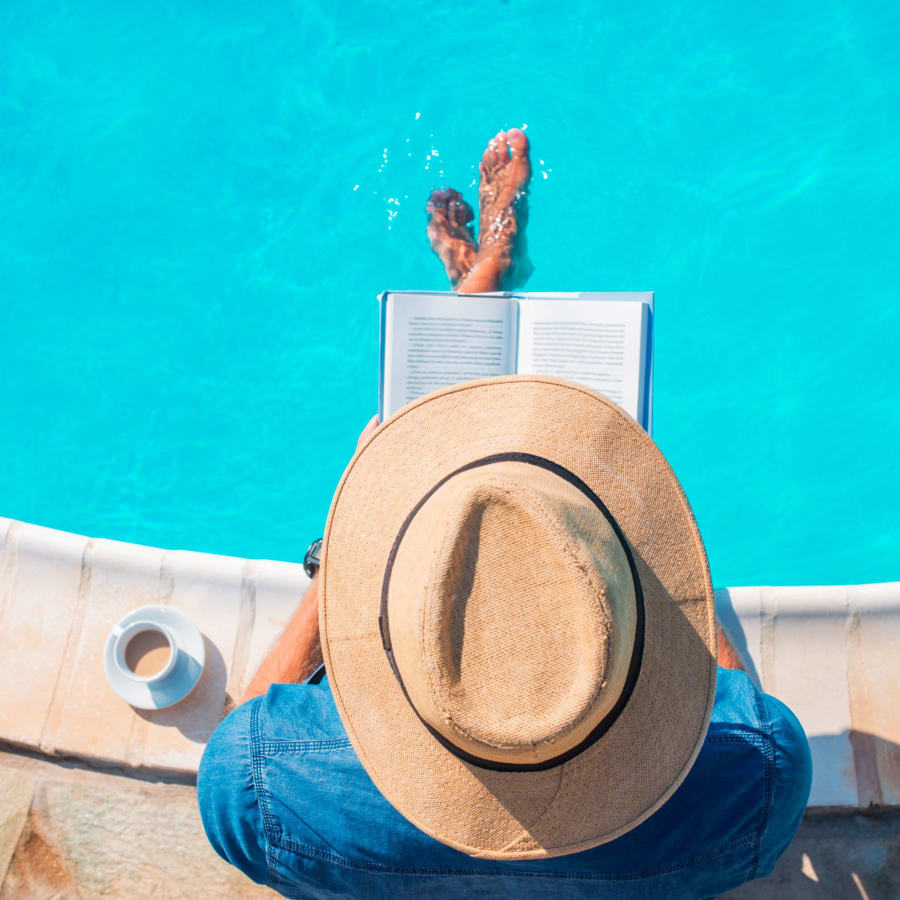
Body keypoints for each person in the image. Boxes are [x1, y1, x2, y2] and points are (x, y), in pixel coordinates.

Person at [197, 129, 811, 898]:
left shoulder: (260, 787)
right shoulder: (759, 779)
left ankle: (479, 282)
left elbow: (236, 742)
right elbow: (733, 702)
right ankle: (486, 269)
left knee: (470, 505)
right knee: (526, 520)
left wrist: (344, 553)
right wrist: (653, 559)